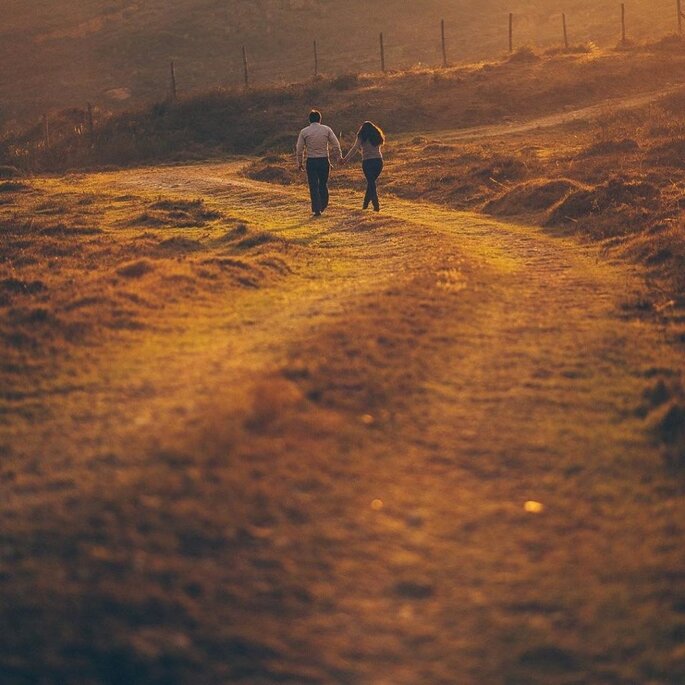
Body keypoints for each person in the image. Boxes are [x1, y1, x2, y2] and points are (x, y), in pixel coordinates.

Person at [296, 110, 343, 217]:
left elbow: (299, 149)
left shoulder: (304, 131)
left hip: (311, 161)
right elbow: (336, 144)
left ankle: (317, 209)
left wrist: (300, 162)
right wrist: (338, 157)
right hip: (324, 160)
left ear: (309, 120)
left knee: (313, 186)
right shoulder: (326, 129)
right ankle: (323, 204)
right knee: (323, 184)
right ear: (320, 119)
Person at [342, 121, 385, 211]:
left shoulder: (362, 135)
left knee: (371, 183)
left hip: (367, 162)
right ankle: (365, 205)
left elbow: (354, 148)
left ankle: (376, 206)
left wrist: (345, 159)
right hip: (378, 162)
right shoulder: (377, 134)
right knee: (371, 183)